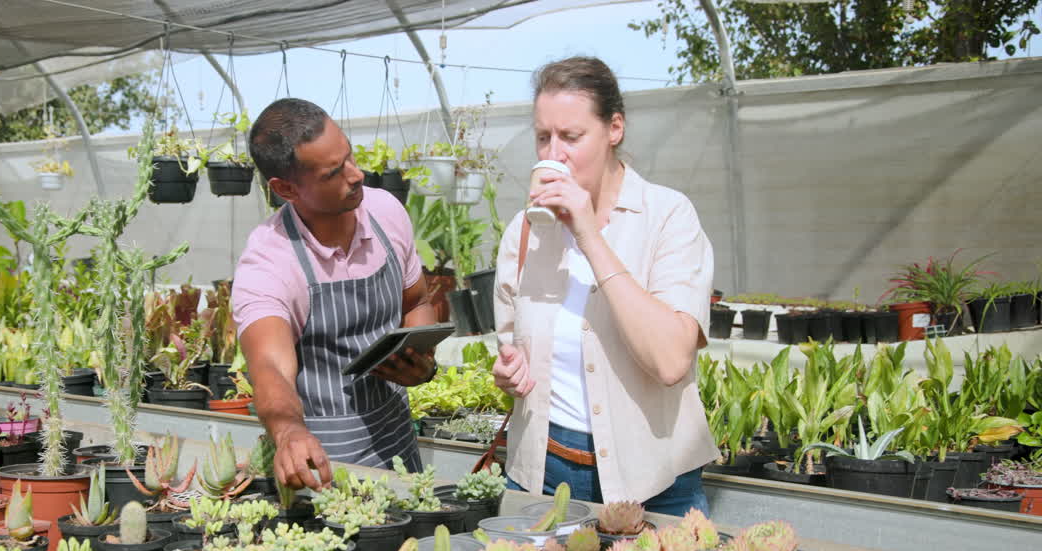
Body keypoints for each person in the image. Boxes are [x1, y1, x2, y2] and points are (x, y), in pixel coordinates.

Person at [491, 57, 717, 516]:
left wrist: (589, 233)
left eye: (571, 137)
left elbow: (672, 360)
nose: (553, 154)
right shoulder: (523, 230)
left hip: (655, 481)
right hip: (540, 474)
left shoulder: (667, 216)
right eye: (542, 137)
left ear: (614, 128)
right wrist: (509, 376)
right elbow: (515, 350)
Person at [233, 98, 438, 491]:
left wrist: (423, 362)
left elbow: (417, 302)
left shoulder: (386, 213)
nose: (357, 175)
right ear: (286, 188)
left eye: (350, 157)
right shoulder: (269, 262)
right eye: (334, 173)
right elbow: (269, 367)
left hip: (398, 440)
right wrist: (290, 431)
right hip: (321, 462)